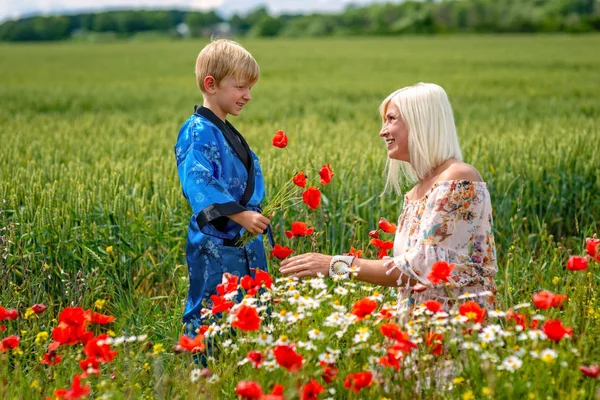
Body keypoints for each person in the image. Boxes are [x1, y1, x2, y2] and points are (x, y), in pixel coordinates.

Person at [280, 83, 497, 311]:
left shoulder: (457, 178)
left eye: (391, 119)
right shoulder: (415, 192)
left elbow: (424, 267)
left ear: (419, 122)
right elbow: (408, 270)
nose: (383, 131)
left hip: (457, 326)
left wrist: (335, 264)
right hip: (420, 326)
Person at [174, 39, 271, 337]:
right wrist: (241, 215)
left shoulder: (222, 128)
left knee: (250, 312)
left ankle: (246, 371)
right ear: (211, 84)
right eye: (241, 87)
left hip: (241, 237)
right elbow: (198, 181)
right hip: (216, 240)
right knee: (212, 311)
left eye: (250, 88)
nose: (248, 96)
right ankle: (204, 376)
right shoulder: (196, 130)